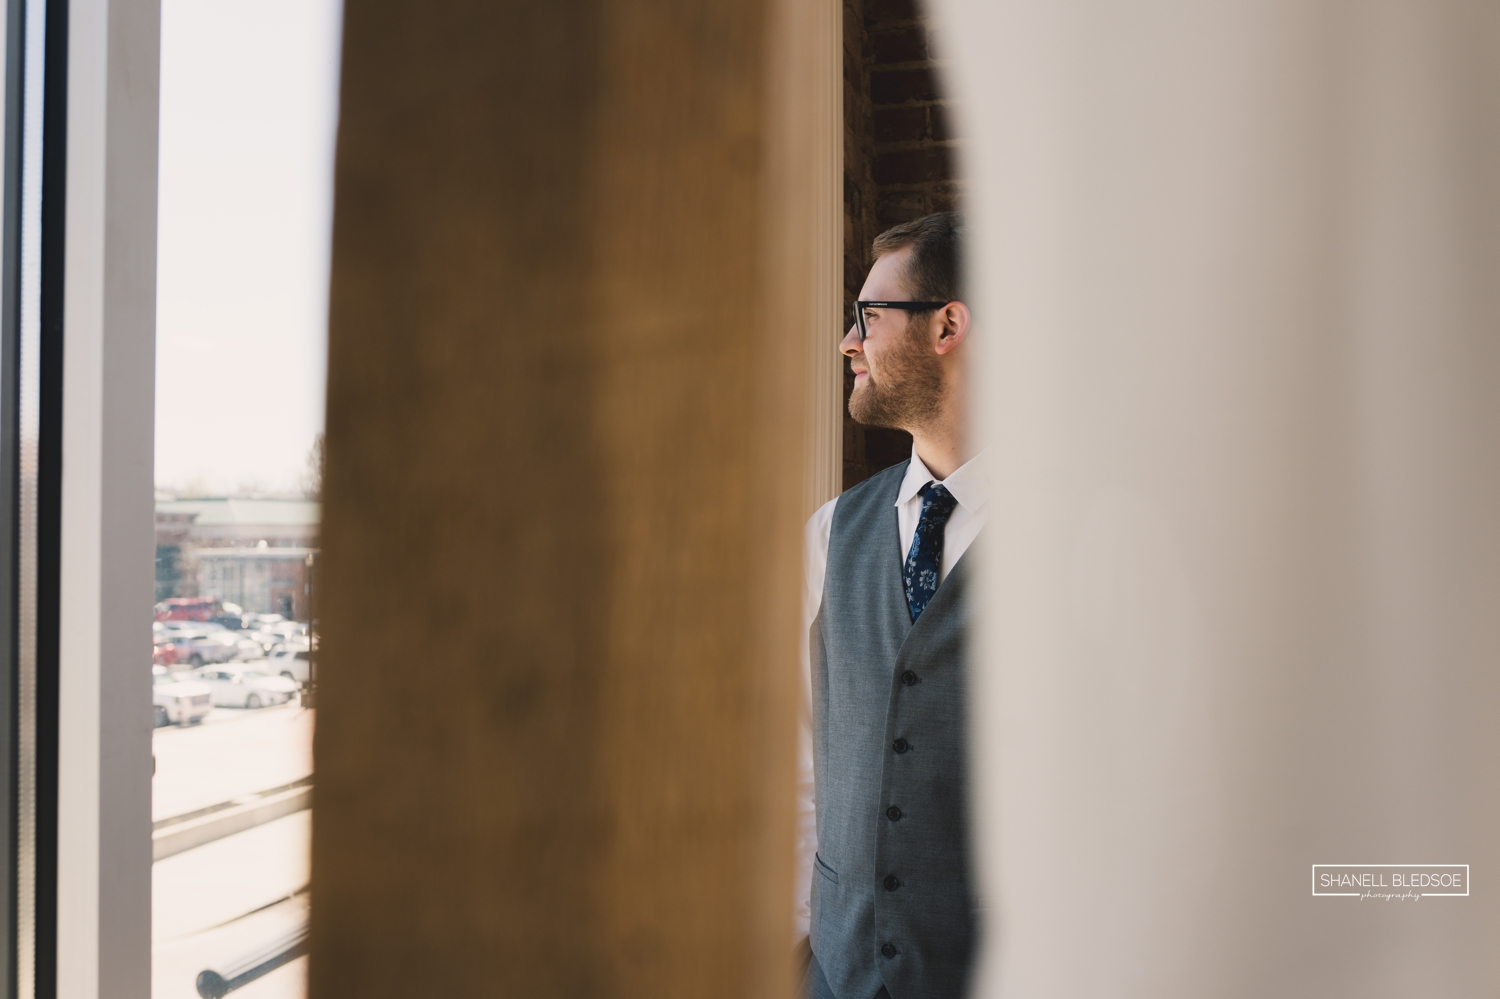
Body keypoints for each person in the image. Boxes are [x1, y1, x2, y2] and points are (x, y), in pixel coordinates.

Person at [799, 212, 984, 999]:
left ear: (948, 324)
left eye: (868, 317)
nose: (849, 341)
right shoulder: (830, 532)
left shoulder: (1079, 537)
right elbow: (802, 761)